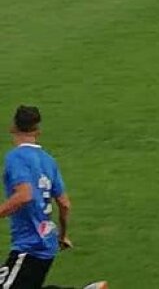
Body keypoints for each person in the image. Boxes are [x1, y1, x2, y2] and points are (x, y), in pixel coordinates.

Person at [0, 106, 109, 289]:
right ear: (37, 131)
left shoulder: (16, 157)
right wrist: (62, 235)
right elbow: (64, 204)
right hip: (47, 243)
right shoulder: (48, 161)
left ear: (13, 127)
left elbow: (24, 195)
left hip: (30, 246)